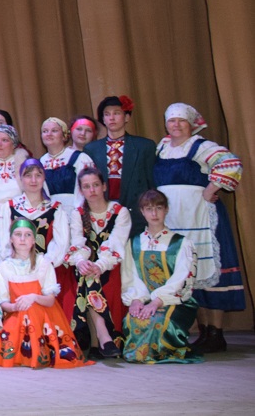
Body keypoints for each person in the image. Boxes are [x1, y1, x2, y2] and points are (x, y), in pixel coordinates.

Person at [154, 103, 243, 353]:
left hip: (200, 217)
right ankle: (203, 331)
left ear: (191, 124)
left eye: (182, 121)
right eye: (172, 121)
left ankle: (216, 332)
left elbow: (231, 163)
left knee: (208, 270)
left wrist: (210, 189)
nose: (176, 125)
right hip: (174, 218)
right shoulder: (162, 147)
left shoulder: (201, 146)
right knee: (190, 275)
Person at [0, 218, 89, 369]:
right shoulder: (2, 269)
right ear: (11, 239)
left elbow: (50, 300)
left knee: (32, 309)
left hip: (44, 313)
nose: (23, 239)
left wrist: (33, 297)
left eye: (28, 235)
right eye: (18, 234)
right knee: (13, 331)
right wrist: (16, 307)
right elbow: (3, 303)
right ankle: (28, 354)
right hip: (16, 313)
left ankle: (40, 352)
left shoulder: (44, 264)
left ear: (34, 240)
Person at [121, 190, 202, 364]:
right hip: (145, 299)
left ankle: (162, 352)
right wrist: (136, 300)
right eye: (149, 209)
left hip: (175, 300)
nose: (154, 214)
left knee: (159, 319)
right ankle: (140, 354)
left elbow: (182, 277)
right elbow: (130, 275)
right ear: (142, 212)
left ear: (166, 210)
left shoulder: (181, 243)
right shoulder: (134, 242)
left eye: (158, 208)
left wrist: (157, 301)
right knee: (133, 319)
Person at [0, 159, 76, 312]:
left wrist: (43, 267)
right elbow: (3, 243)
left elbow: (61, 243)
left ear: (44, 178)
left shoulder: (55, 209)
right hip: (16, 274)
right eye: (28, 175)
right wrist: (16, 268)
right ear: (21, 178)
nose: (33, 180)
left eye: (38, 175)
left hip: (47, 274)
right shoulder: (9, 208)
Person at [66, 167, 128, 358]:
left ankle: (98, 341)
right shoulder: (78, 213)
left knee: (90, 278)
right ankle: (103, 337)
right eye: (86, 187)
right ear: (81, 190)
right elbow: (77, 242)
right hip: (85, 266)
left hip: (111, 264)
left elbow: (116, 244)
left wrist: (100, 265)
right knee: (88, 276)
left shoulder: (119, 212)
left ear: (104, 186)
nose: (92, 190)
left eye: (95, 185)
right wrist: (81, 262)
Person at [83, 95, 155, 237]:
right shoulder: (92, 149)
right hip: (102, 212)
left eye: (116, 113)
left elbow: (151, 183)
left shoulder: (144, 146)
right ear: (103, 119)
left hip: (136, 212)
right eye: (107, 114)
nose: (111, 118)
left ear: (126, 117)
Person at [39, 117, 95, 208]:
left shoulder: (80, 158)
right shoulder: (40, 162)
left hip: (76, 210)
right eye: (45, 131)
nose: (49, 134)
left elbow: (89, 187)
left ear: (64, 136)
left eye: (54, 131)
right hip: (50, 211)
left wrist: (78, 211)